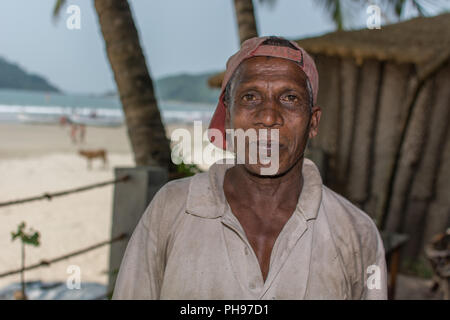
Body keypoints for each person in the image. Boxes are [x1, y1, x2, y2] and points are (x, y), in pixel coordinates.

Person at [112, 36, 387, 300]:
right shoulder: (171, 209)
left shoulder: (357, 233)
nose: (268, 116)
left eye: (290, 98)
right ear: (228, 117)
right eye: (250, 97)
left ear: (313, 122)